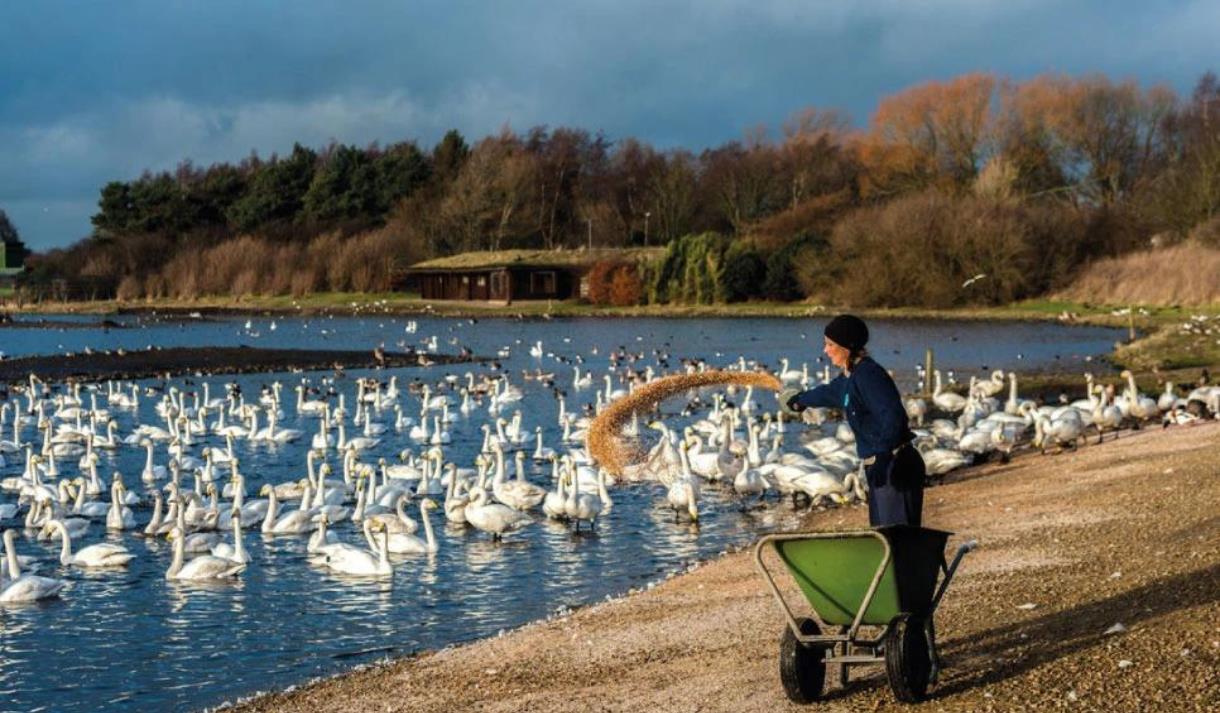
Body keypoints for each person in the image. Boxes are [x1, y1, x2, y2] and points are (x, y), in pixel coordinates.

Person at [785, 315, 925, 527]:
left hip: (896, 466)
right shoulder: (852, 377)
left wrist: (884, 455)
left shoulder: (869, 376)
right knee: (883, 537)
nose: (825, 350)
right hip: (879, 465)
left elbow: (893, 415)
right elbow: (831, 392)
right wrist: (800, 400)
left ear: (847, 347)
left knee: (896, 540)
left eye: (830, 344)